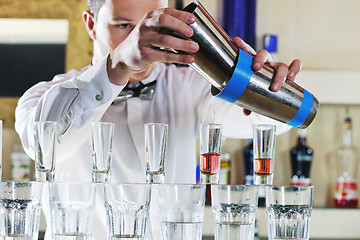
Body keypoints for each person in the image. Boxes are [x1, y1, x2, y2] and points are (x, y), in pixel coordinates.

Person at [15, 0, 302, 239]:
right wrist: (118, 65)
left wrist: (266, 86)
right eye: (124, 26)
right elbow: (44, 146)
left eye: (153, 26)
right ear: (91, 23)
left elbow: (269, 125)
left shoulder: (194, 87)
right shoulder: (45, 96)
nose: (141, 39)